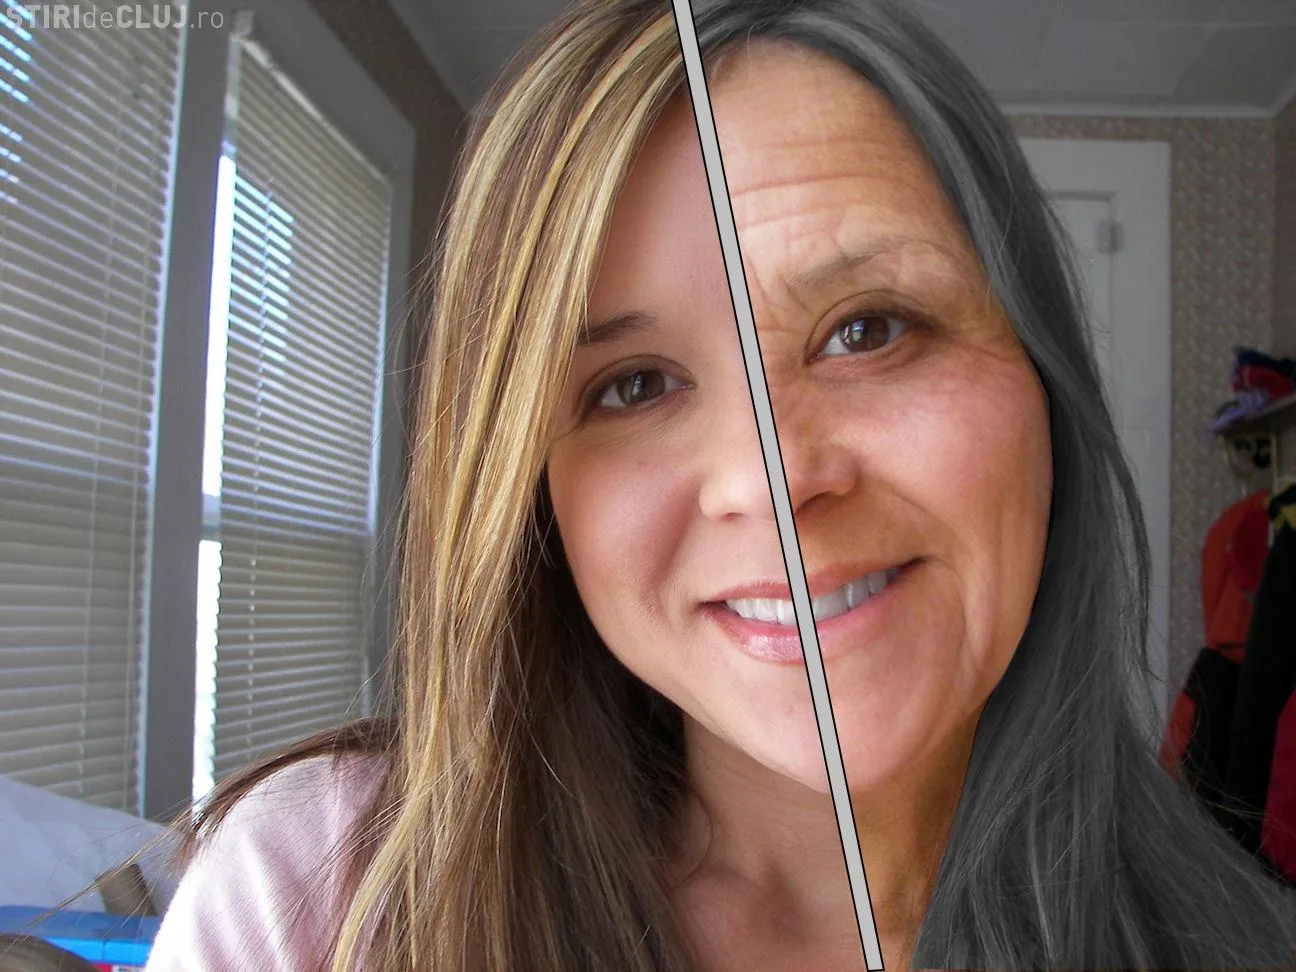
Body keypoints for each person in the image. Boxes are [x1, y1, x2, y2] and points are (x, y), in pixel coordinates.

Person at [145, 0, 1296, 969]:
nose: (772, 482)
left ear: (1044, 372)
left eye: (868, 328)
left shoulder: (1232, 939)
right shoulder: (318, 904)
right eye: (634, 385)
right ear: (529, 487)